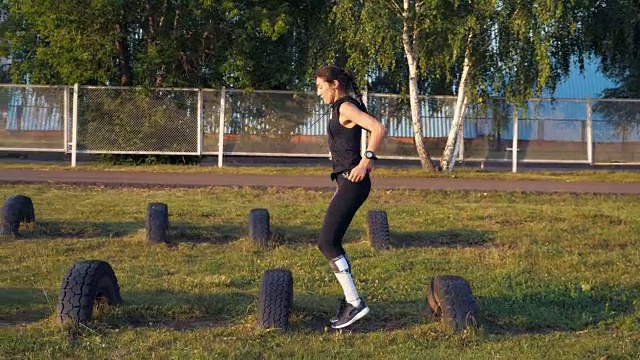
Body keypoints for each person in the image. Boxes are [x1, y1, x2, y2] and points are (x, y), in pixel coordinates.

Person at [315, 65, 386, 329]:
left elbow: (377, 129)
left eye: (321, 87)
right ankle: (351, 302)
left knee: (327, 242)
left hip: (353, 182)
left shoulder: (345, 107)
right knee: (328, 241)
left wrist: (366, 162)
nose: (319, 93)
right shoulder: (342, 107)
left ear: (334, 84)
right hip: (347, 182)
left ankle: (355, 303)